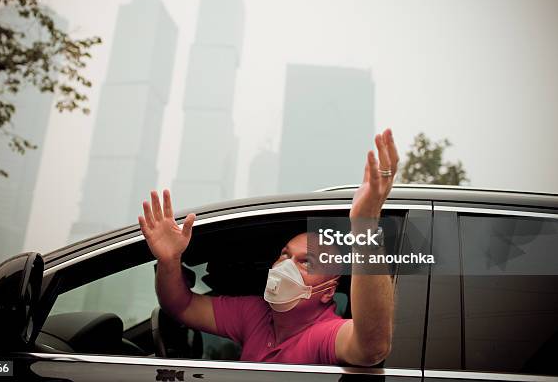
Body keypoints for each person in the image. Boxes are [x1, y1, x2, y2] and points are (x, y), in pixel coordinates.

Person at [138, 128, 399, 366]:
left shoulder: (323, 334)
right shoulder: (256, 314)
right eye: (284, 255)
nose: (286, 265)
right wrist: (169, 260)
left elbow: (371, 347)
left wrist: (365, 225)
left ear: (327, 292)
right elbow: (181, 306)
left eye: (305, 261)